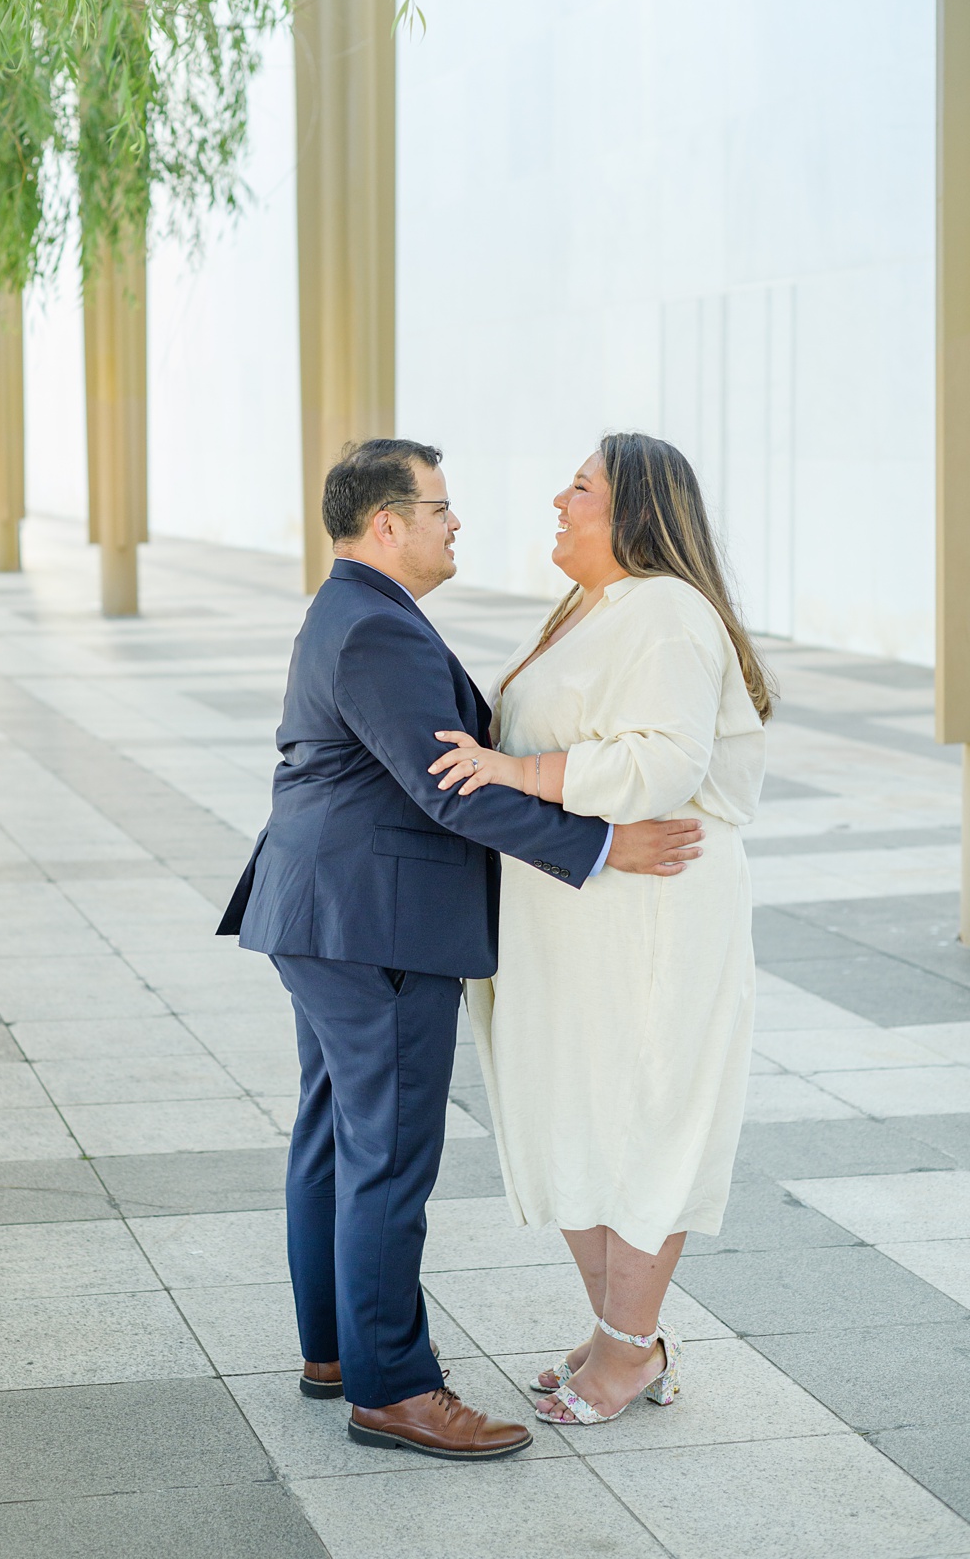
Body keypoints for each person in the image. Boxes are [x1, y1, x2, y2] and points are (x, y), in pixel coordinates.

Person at [218, 439, 704, 1460]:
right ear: (387, 523)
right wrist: (607, 843)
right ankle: (393, 1387)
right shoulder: (376, 629)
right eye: (440, 508)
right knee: (388, 1155)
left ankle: (338, 1353)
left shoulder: (357, 612)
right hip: (373, 921)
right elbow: (449, 785)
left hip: (329, 914)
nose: (455, 523)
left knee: (336, 1141)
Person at [433, 435, 771, 1426]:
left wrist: (516, 774)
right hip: (579, 921)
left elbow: (664, 764)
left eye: (579, 487)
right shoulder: (596, 608)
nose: (558, 498)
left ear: (635, 513)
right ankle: (624, 1334)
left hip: (649, 922)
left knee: (641, 1123)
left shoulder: (666, 610)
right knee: (573, 1117)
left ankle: (628, 1355)